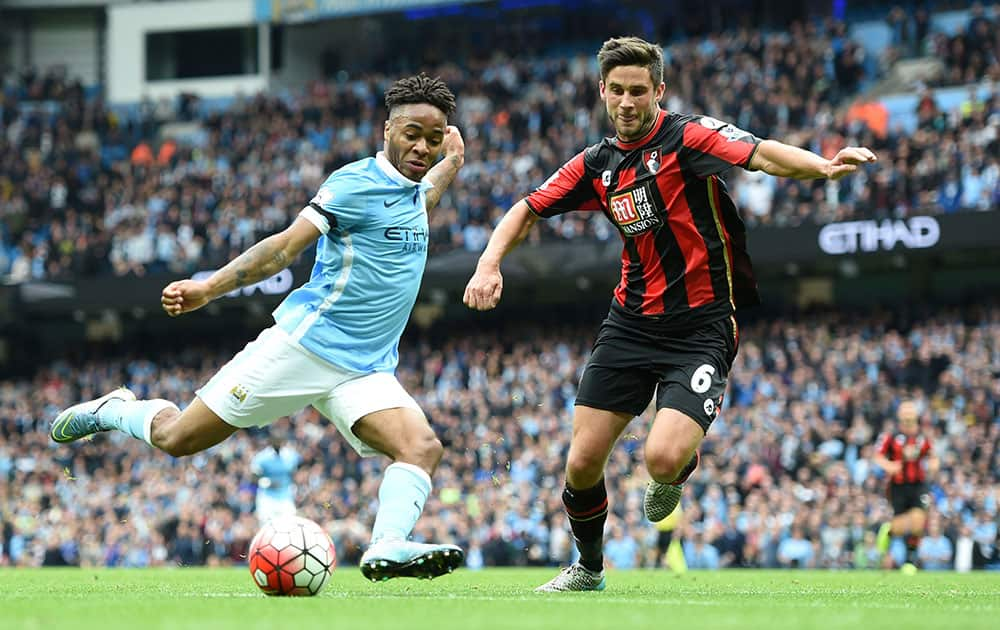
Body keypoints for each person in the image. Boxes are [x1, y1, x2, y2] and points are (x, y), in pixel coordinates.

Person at [463, 36, 876, 592]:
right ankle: (587, 568)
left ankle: (676, 473)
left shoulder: (688, 137)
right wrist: (489, 263)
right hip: (629, 324)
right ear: (602, 92)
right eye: (617, 91)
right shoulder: (596, 163)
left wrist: (823, 168)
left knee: (660, 460)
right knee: (581, 465)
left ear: (659, 91)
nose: (628, 102)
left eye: (639, 90)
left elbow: (762, 153)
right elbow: (527, 208)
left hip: (701, 327)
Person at [50, 73, 467, 582]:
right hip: (305, 346)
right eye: (411, 133)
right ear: (386, 130)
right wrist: (209, 287)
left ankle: (387, 545)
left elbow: (423, 199)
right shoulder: (352, 184)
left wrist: (453, 163)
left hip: (366, 368)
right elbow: (285, 248)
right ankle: (116, 409)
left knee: (422, 447)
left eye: (434, 136)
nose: (422, 146)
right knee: (179, 438)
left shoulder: (413, 191)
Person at [873, 400, 939, 571]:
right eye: (905, 412)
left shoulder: (922, 438)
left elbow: (933, 455)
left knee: (919, 520)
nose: (909, 415)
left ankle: (910, 561)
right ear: (900, 416)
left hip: (919, 485)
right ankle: (890, 531)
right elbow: (877, 456)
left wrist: (934, 463)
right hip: (898, 486)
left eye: (911, 411)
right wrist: (890, 466)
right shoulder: (891, 436)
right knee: (902, 524)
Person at [251, 430, 302, 524]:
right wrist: (268, 483)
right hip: (267, 498)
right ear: (270, 441)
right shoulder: (261, 458)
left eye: (280, 440)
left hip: (285, 496)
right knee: (267, 527)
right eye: (275, 440)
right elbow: (253, 479)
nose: (278, 443)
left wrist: (296, 486)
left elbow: (296, 472)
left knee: (289, 525)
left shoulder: (291, 456)